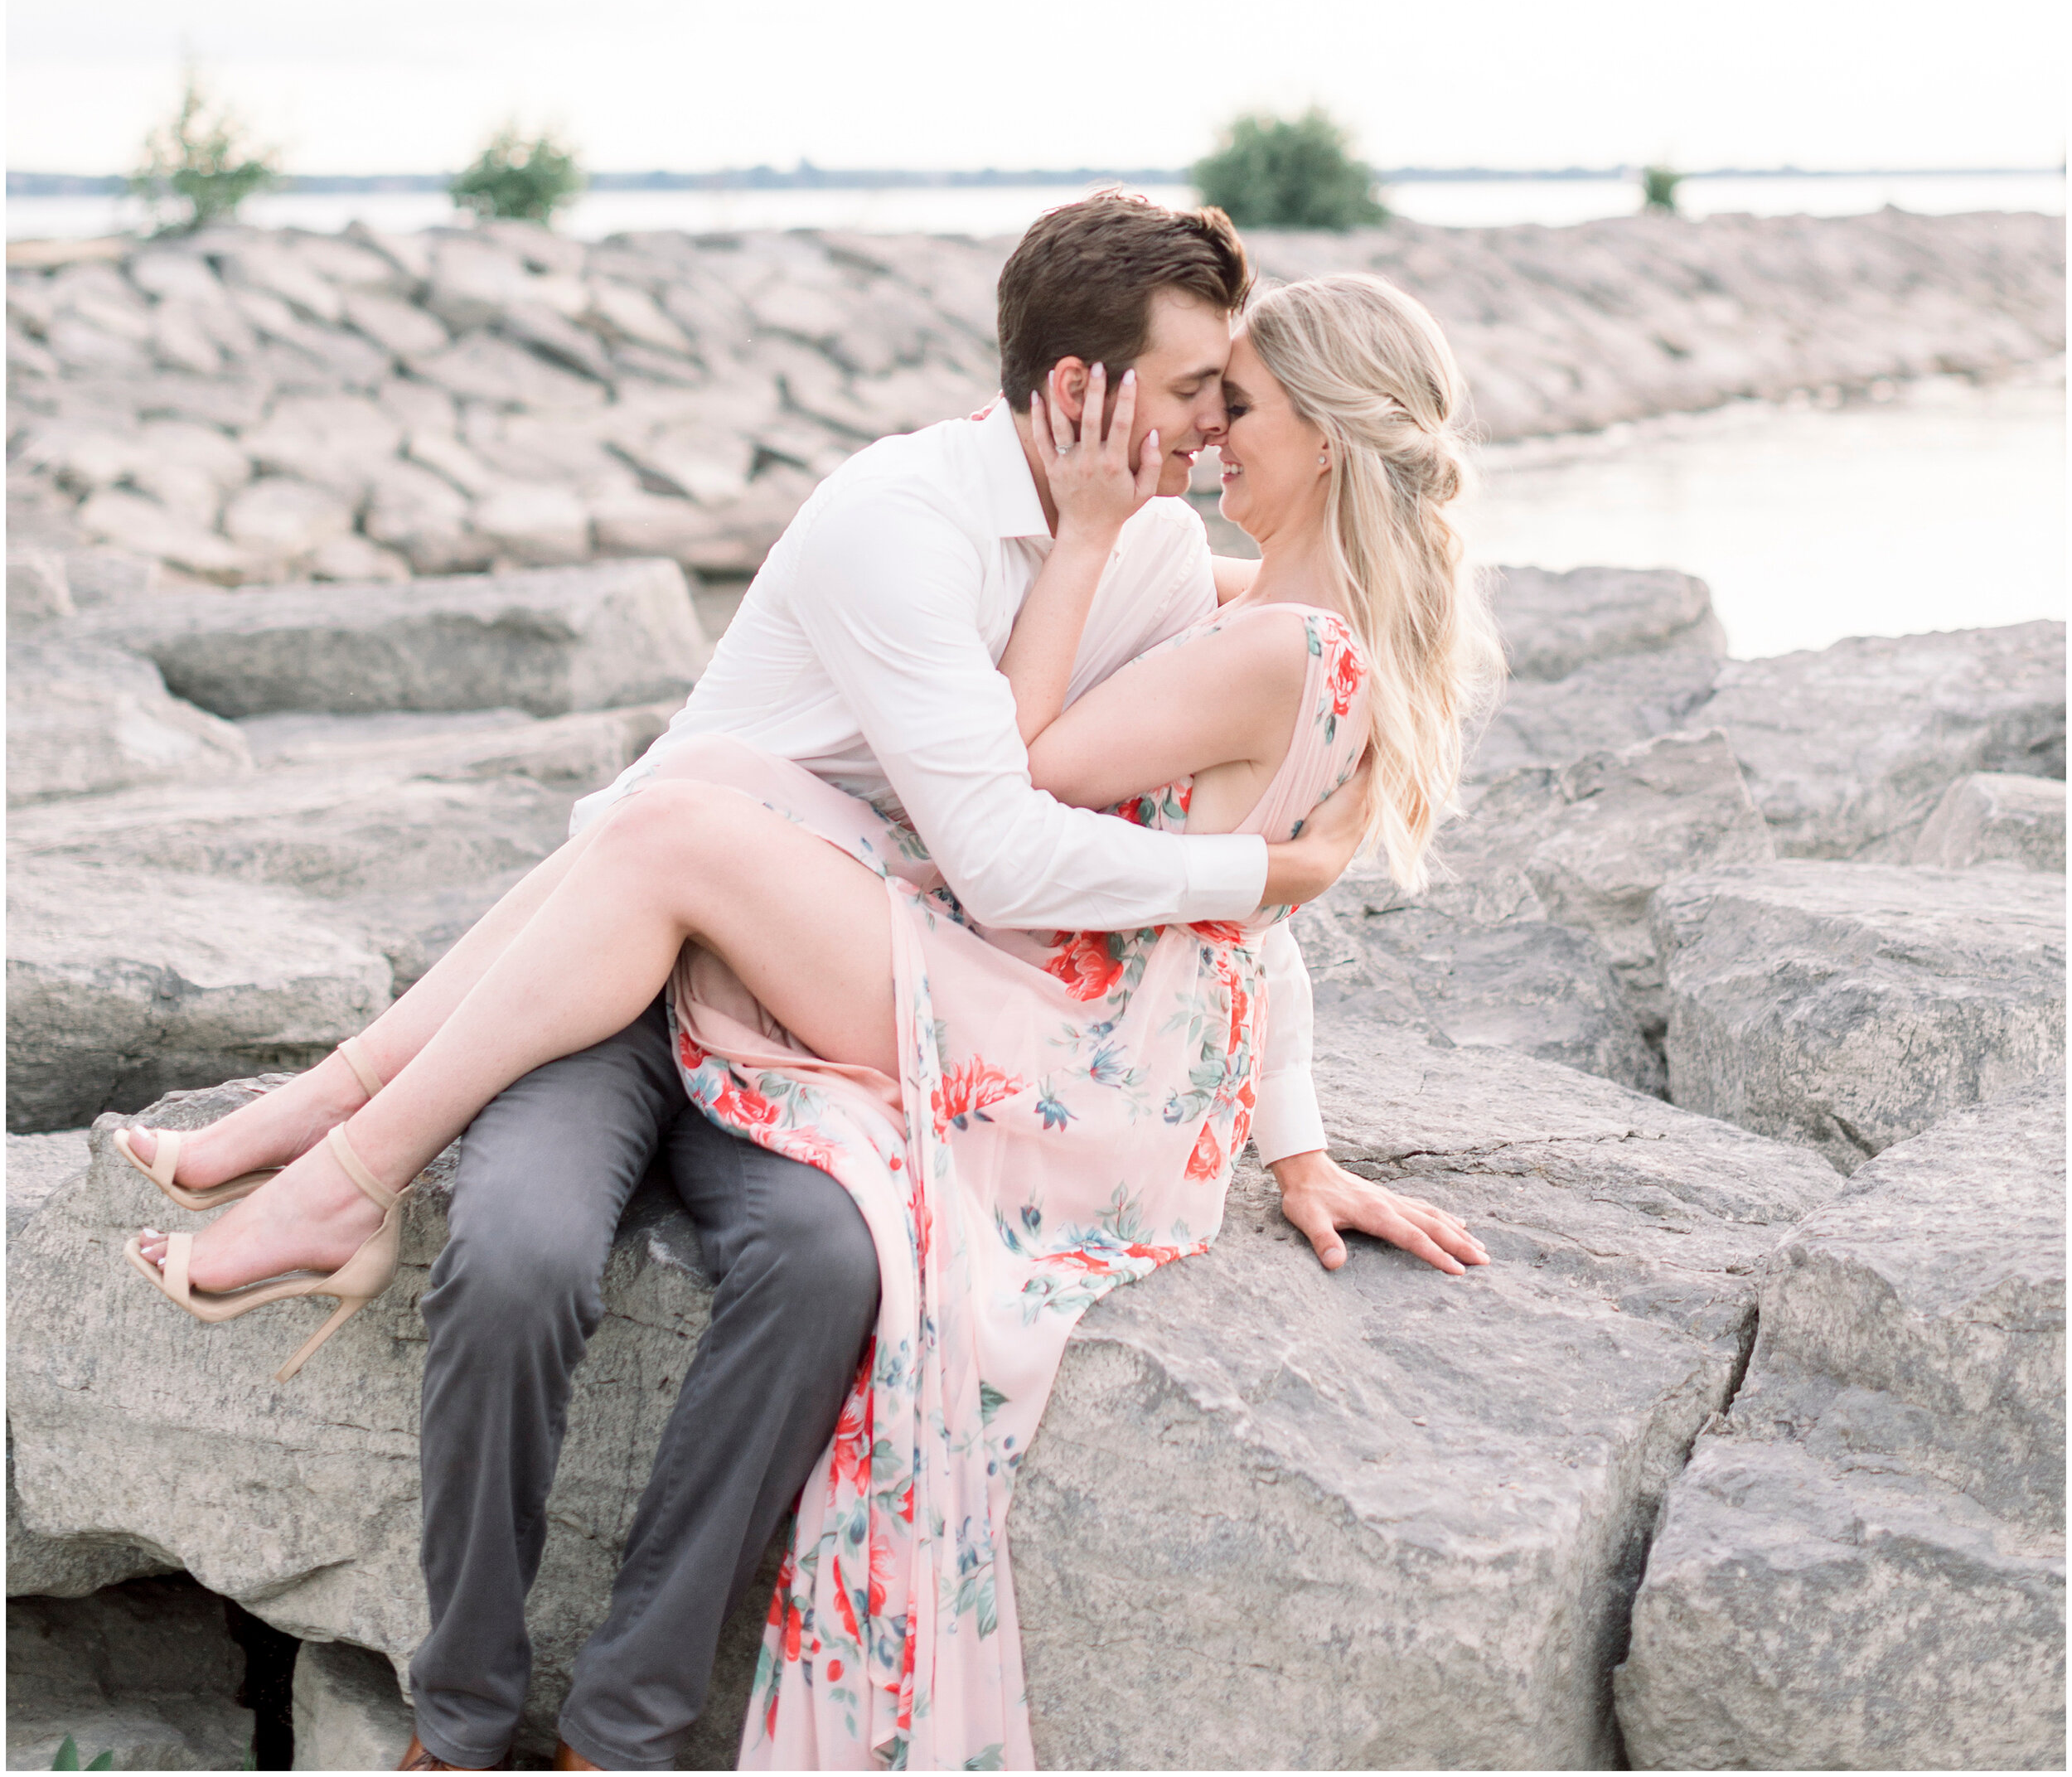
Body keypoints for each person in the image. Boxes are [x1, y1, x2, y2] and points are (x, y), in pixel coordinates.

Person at [116, 206, 1497, 1770]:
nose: (1199, 432)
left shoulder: (1179, 570)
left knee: (814, 1218)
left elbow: (1115, 848)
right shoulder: (903, 520)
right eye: (1193, 393)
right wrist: (1265, 963)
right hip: (650, 972)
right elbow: (1204, 857)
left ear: (1316, 432)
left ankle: (617, 1722)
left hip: (878, 988)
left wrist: (1293, 1100)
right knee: (530, 1210)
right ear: (1083, 390)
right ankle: (455, 1696)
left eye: (1226, 402)